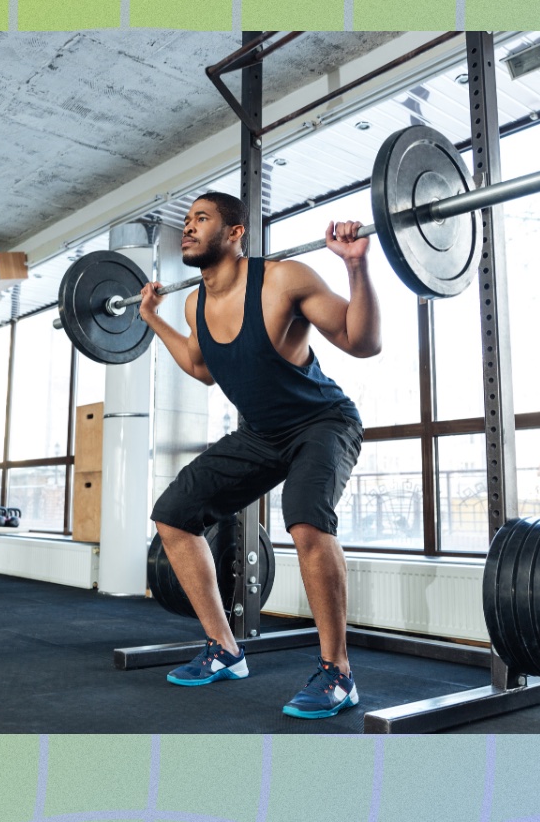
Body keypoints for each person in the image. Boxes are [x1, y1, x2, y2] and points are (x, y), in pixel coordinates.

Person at [139, 191, 380, 720]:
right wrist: (152, 318)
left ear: (235, 232)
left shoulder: (283, 280)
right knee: (174, 516)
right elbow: (202, 366)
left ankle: (338, 673)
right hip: (260, 435)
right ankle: (225, 649)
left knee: (306, 522)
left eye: (201, 219)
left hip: (323, 424)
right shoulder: (193, 303)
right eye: (186, 221)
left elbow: (361, 341)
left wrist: (357, 267)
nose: (189, 227)